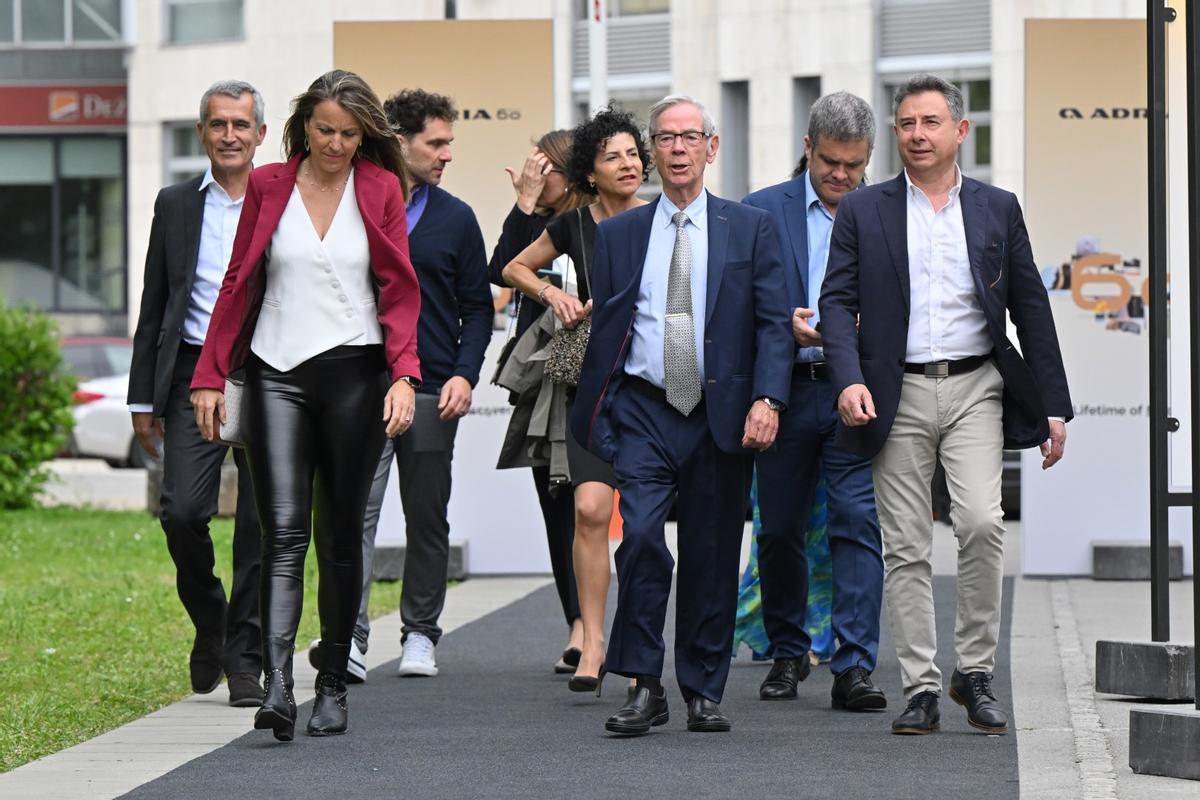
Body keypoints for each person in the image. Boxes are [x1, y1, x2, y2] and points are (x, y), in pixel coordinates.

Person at [819, 73, 1072, 736]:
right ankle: (922, 686)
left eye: (930, 122)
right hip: (894, 391)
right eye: (906, 123)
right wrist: (847, 378)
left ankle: (976, 672)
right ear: (894, 134)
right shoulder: (864, 210)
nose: (917, 134)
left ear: (960, 130)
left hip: (976, 386)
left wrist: (1053, 405)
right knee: (905, 544)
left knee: (983, 523)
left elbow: (1030, 306)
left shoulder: (997, 208)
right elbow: (836, 302)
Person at [190, 69, 421, 741]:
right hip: (276, 373)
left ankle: (332, 686)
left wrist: (404, 376)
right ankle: (278, 687)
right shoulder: (269, 184)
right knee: (283, 533)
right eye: (325, 130)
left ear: (364, 136)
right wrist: (209, 374)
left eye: (349, 134)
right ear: (303, 127)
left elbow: (399, 288)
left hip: (355, 375)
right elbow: (237, 282)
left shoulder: (380, 187)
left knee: (340, 536)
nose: (336, 145)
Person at [570, 95, 792, 735]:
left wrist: (768, 399)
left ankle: (701, 688)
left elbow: (773, 324)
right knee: (640, 538)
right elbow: (610, 329)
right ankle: (644, 684)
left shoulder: (750, 228)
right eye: (665, 138)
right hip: (645, 409)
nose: (677, 149)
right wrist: (604, 412)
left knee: (711, 553)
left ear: (710, 148)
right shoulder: (619, 235)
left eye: (690, 137)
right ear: (652, 151)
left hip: (722, 413)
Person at [306, 89, 492, 682]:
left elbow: (477, 308)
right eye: (435, 143)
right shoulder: (349, 204)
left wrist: (464, 373)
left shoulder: (457, 218)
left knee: (426, 515)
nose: (446, 155)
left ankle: (420, 634)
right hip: (360, 386)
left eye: (448, 143)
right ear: (400, 141)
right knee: (352, 515)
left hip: (433, 389)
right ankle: (350, 636)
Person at [742, 91, 887, 711]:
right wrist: (785, 325)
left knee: (856, 524)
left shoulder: (889, 211)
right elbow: (739, 305)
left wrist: (868, 328)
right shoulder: (760, 211)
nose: (842, 176)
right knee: (779, 529)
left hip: (856, 392)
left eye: (855, 165)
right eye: (830, 162)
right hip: (786, 392)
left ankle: (854, 665)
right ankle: (787, 651)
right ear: (808, 148)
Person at [127, 80, 267, 708]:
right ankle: (212, 622)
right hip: (190, 372)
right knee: (182, 512)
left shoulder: (281, 198)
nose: (229, 135)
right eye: (218, 124)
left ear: (260, 134)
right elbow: (155, 301)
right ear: (202, 133)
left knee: (262, 523)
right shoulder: (176, 203)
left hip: (267, 371)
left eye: (240, 124)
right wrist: (142, 398)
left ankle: (245, 656)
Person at [502, 107, 651, 695]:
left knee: (643, 527)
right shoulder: (573, 225)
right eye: (613, 156)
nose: (628, 164)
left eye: (633, 153)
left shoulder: (663, 219)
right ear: (590, 171)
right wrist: (553, 295)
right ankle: (591, 639)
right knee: (589, 511)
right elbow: (513, 267)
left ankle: (639, 647)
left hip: (655, 387)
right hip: (594, 384)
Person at [489, 130, 590, 672]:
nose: (533, 175)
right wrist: (524, 205)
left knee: (592, 508)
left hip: (596, 382)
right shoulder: (538, 227)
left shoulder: (593, 221)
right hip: (544, 383)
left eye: (543, 167)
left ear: (572, 174)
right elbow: (501, 270)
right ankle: (577, 622)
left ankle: (601, 625)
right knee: (557, 507)